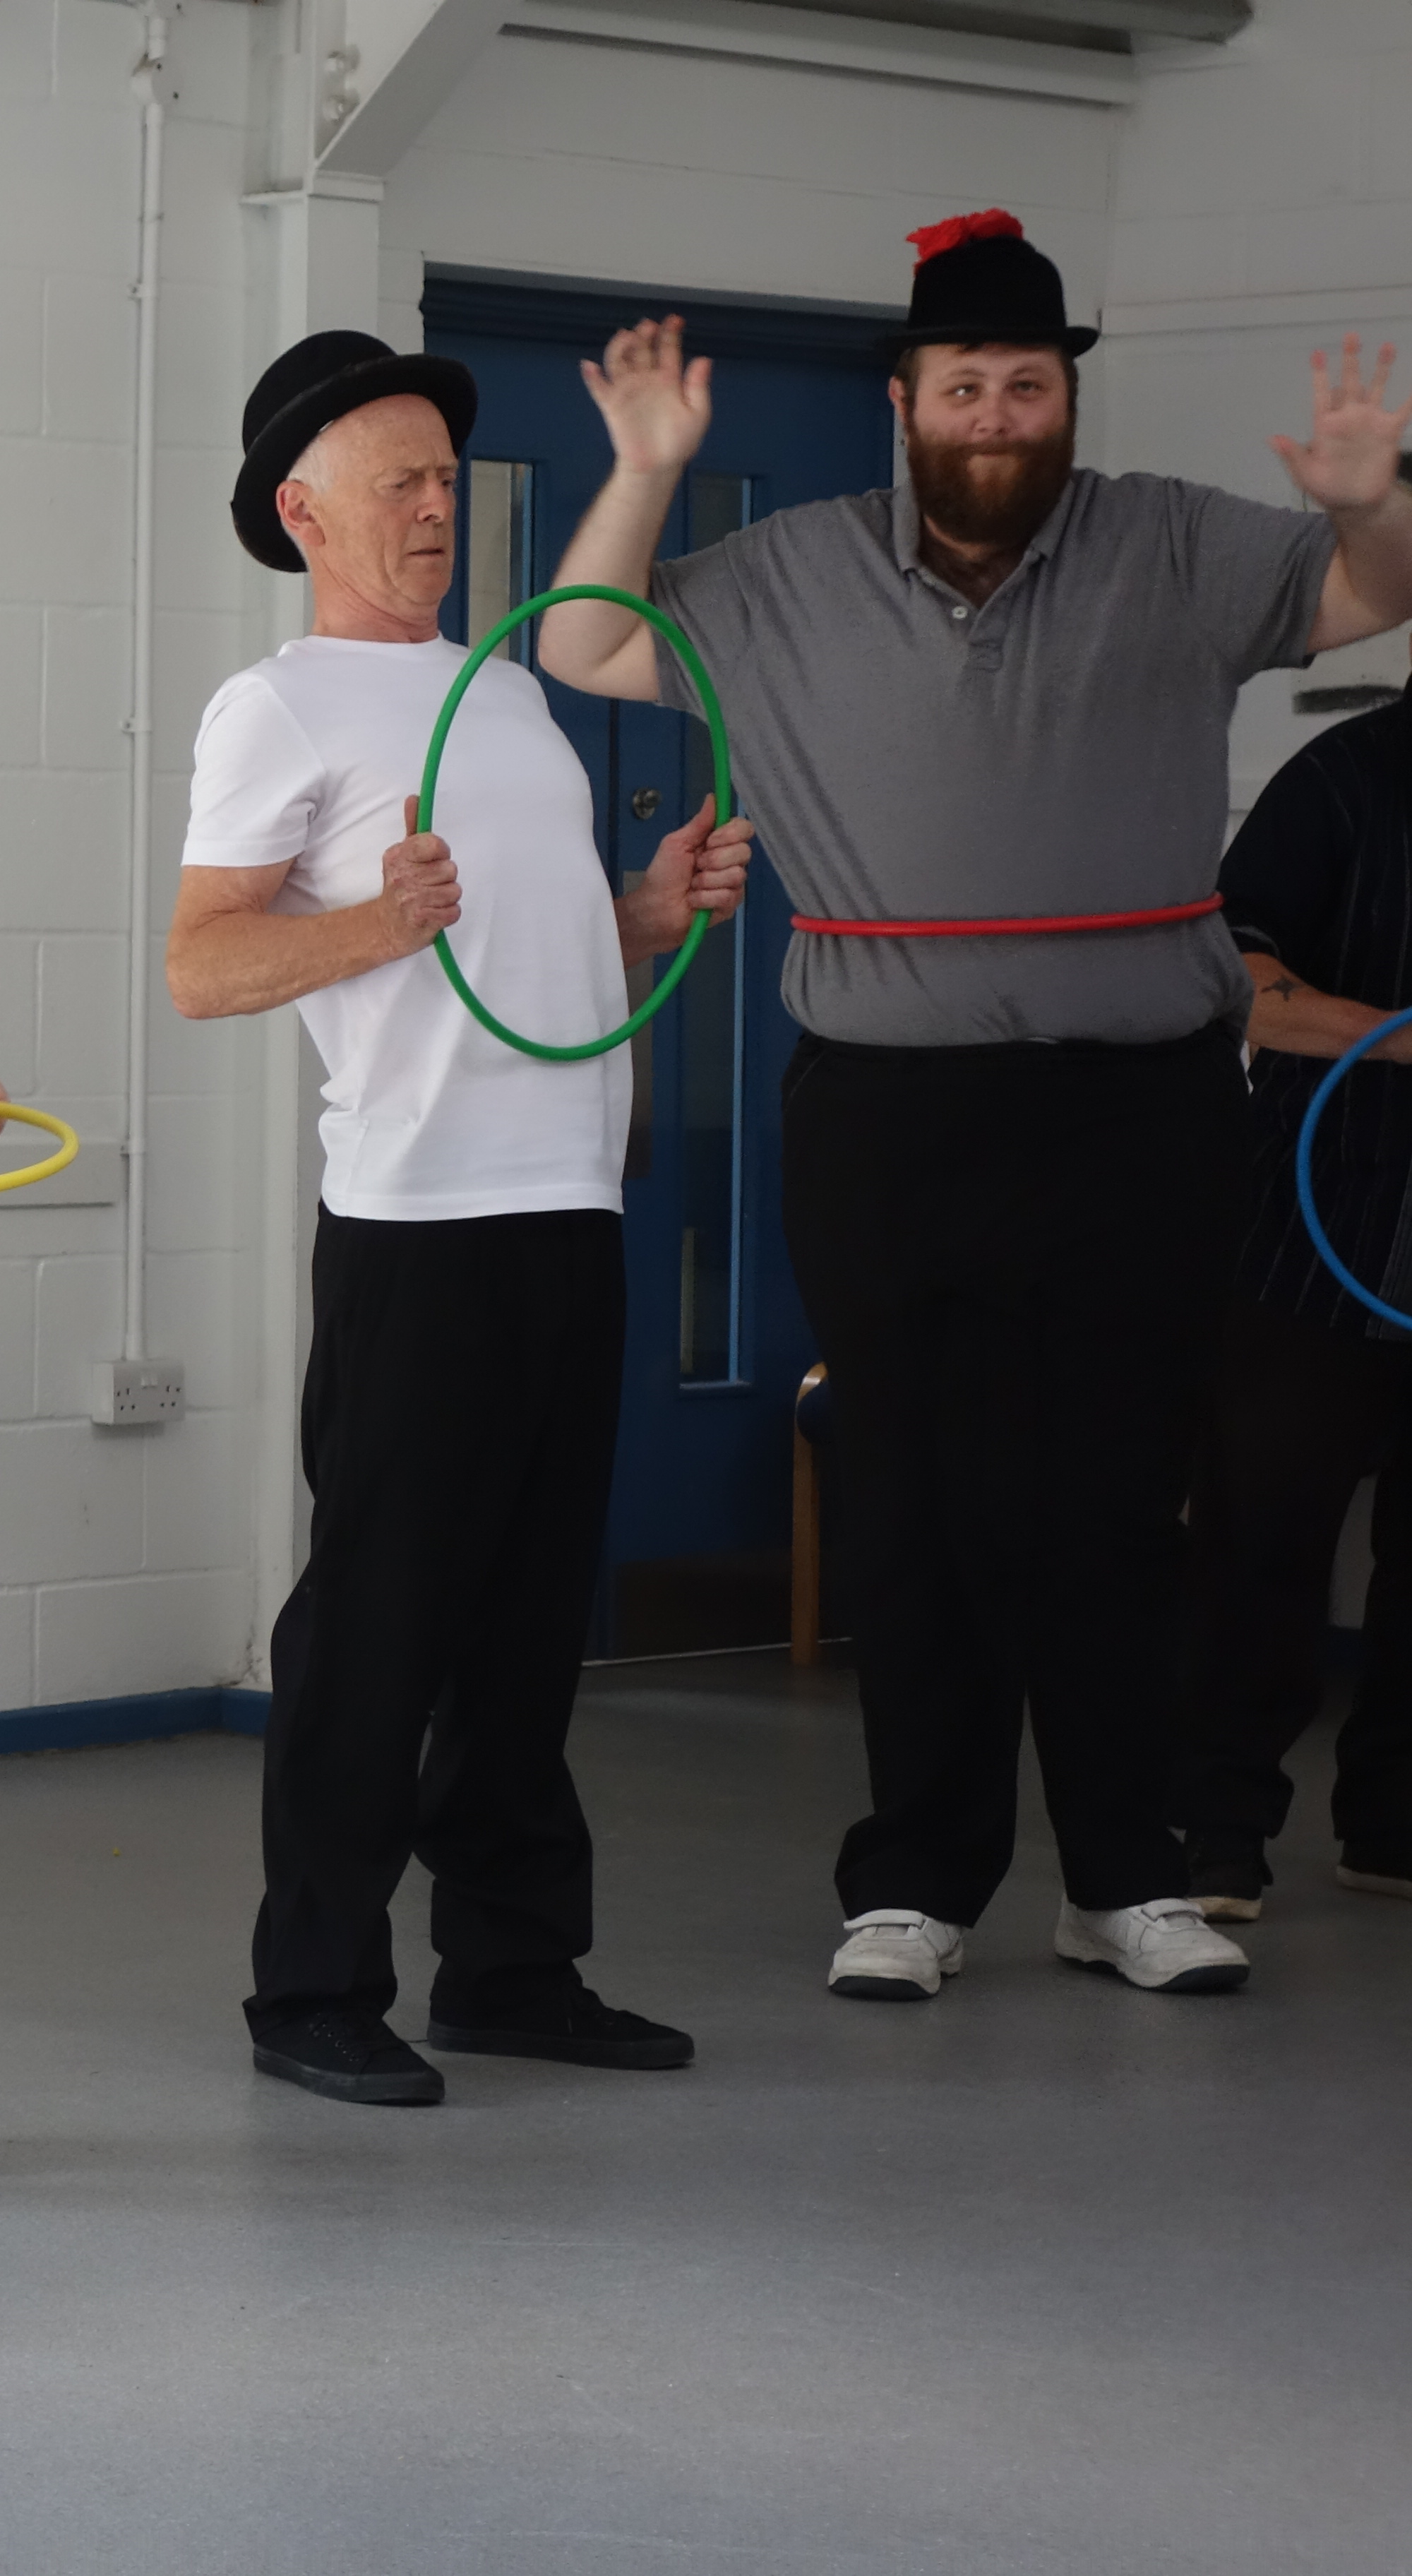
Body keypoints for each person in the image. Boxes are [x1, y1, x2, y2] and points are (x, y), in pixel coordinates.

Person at [537, 210, 1412, 2001]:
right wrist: (640, 471)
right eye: (965, 386)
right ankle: (915, 1884)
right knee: (914, 1499)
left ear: (1062, 400)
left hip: (1144, 1109)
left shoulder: (1168, 541)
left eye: (1027, 383)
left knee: (1117, 1501)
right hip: (888, 1110)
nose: (998, 413)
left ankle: (1125, 1878)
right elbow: (585, 650)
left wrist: (1365, 497)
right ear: (907, 402)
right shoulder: (781, 572)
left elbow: (1372, 596)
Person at [167, 333, 745, 2106]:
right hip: (417, 1221)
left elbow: (518, 950)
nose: (436, 508)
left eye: (445, 479)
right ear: (302, 510)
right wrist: (368, 928)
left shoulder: (502, 692)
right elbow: (203, 967)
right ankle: (313, 1991)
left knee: (521, 1620)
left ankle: (511, 1967)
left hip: (569, 1201)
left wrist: (643, 917)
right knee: (378, 1623)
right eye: (398, 482)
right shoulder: (278, 707)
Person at [1178, 681, 1412, 1919]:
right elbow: (1236, 973)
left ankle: (1394, 1827)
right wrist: (1400, 1034)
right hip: (1320, 1234)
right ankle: (1218, 1830)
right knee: (1261, 1540)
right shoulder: (1344, 778)